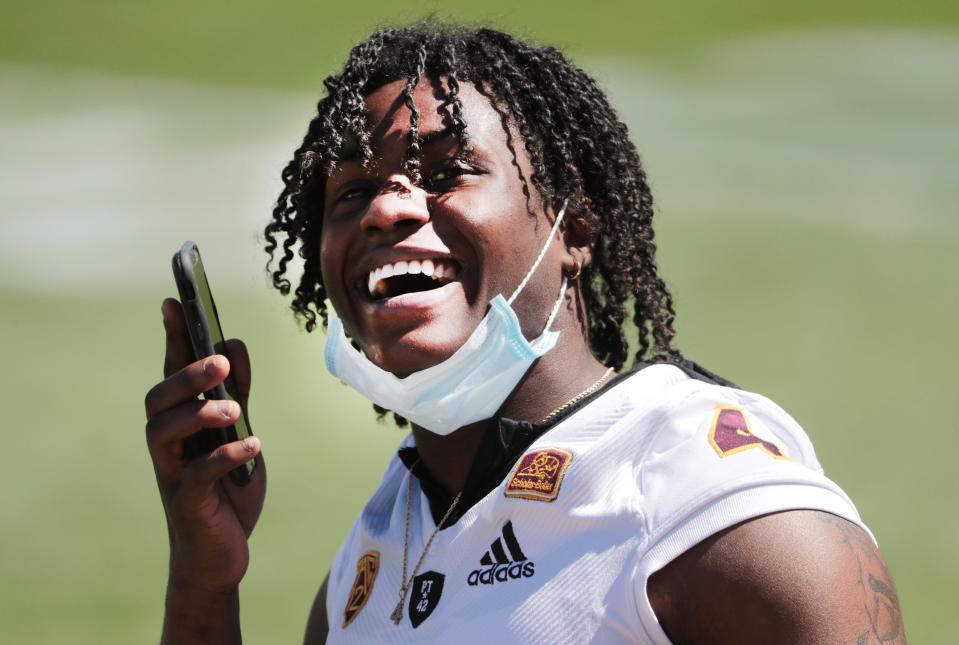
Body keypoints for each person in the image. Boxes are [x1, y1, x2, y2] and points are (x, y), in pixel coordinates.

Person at [143, 23, 906, 645]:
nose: (386, 209)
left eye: (446, 172)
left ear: (571, 224)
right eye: (352, 191)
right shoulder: (374, 558)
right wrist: (205, 582)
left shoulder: (713, 503)